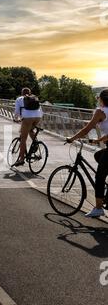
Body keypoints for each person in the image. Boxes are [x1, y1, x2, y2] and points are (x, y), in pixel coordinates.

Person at [67, 89, 108, 218]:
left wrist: (72, 138)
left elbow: (87, 129)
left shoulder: (100, 111)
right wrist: (99, 140)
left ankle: (98, 208)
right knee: (98, 156)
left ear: (101, 99)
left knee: (100, 176)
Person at [14, 87, 43, 167]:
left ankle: (21, 159)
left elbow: (16, 111)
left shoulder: (19, 99)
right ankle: (35, 143)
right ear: (30, 93)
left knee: (23, 139)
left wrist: (15, 118)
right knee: (30, 130)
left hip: (27, 117)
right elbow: (41, 110)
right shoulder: (34, 98)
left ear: (21, 93)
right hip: (38, 117)